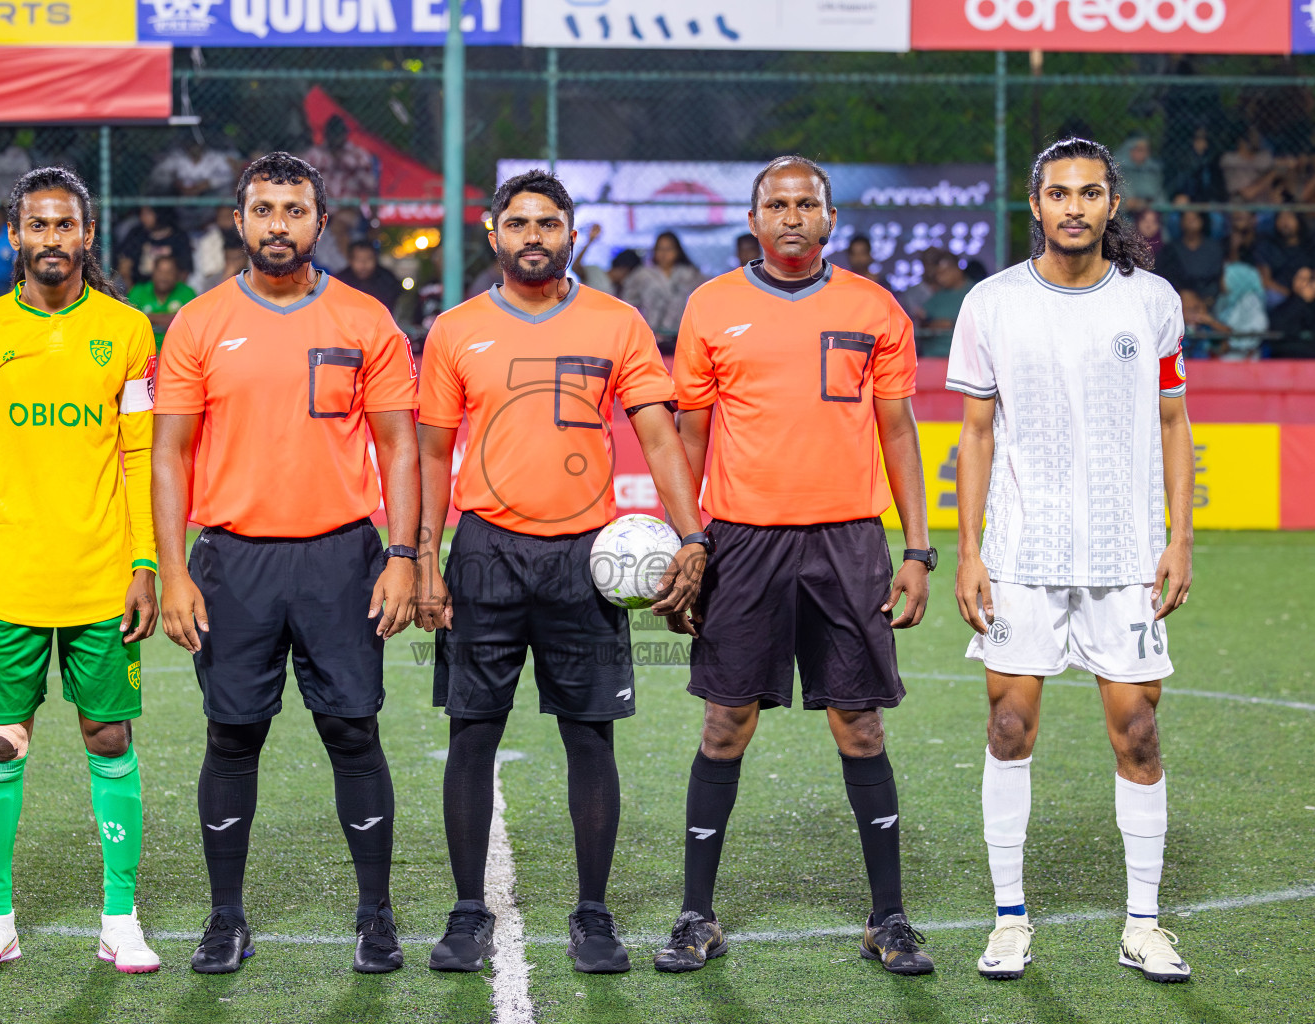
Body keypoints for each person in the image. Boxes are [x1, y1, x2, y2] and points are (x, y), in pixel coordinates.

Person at [414, 169, 705, 976]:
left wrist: (694, 537)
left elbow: (658, 436)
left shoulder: (617, 322)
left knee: (590, 739)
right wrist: (425, 557)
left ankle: (594, 914)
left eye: (549, 223)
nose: (533, 235)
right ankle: (469, 913)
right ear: (493, 233)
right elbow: (434, 452)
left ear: (572, 235)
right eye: (518, 223)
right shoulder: (455, 330)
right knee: (472, 734)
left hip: (588, 560)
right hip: (485, 552)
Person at [653, 155, 934, 977]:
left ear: (830, 218)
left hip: (849, 542)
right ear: (753, 217)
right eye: (776, 203)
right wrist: (690, 541)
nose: (790, 216)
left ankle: (890, 919)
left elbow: (899, 433)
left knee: (860, 725)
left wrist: (916, 549)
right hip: (742, 542)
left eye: (806, 203)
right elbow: (691, 438)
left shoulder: (874, 307)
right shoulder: (711, 306)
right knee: (724, 723)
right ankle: (695, 916)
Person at [153, 152, 420, 976]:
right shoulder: (197, 323)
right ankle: (225, 919)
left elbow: (401, 445)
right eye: (263, 209)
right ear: (239, 221)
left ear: (320, 222)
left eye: (293, 209)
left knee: (352, 730)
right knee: (232, 736)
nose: (278, 223)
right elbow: (167, 455)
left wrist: (404, 555)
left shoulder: (365, 318)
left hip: (342, 556)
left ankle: (375, 916)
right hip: (232, 561)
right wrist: (174, 573)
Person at [949, 137, 1195, 986]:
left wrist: (1181, 536)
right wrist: (969, 549)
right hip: (1021, 553)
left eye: (1091, 193)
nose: (1075, 208)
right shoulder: (991, 305)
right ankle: (1010, 918)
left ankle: (1144, 922)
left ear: (1112, 206)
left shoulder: (1152, 302)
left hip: (1126, 555)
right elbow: (975, 432)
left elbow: (1173, 423)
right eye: (1060, 193)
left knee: (1138, 732)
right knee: (1009, 728)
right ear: (1035, 204)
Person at [0, 166, 161, 977]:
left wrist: (145, 559)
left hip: (103, 574)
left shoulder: (130, 331)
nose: (52, 239)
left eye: (65, 225)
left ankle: (120, 917)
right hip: (8, 578)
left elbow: (139, 452)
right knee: (2, 746)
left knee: (109, 734)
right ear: (15, 237)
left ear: (88, 235)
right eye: (37, 225)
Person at [621, 230, 704, 348]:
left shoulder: (689, 274)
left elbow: (703, 300)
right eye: (660, 249)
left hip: (682, 336)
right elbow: (627, 302)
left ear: (677, 251)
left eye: (669, 249)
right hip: (650, 336)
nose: (664, 254)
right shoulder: (642, 274)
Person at [1155, 208, 1224, 302]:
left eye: (1194, 219)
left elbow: (1215, 277)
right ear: (1181, 223)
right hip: (1178, 298)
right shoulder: (1171, 249)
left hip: (1208, 299)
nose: (1191, 222)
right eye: (1187, 219)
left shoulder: (1213, 248)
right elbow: (1167, 277)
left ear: (1202, 221)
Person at [126, 254, 196, 348]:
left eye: (169, 272)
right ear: (153, 273)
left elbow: (192, 323)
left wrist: (148, 317)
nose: (164, 276)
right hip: (144, 349)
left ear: (177, 275)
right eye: (160, 271)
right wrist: (172, 318)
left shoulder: (187, 292)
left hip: (178, 349)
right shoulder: (137, 292)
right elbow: (130, 322)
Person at [117, 205, 193, 290]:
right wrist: (133, 293)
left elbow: (184, 271)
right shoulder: (136, 234)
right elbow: (125, 266)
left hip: (171, 291)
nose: (143, 218)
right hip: (139, 288)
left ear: (159, 214)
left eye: (148, 214)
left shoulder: (178, 236)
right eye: (142, 214)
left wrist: (175, 295)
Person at [303, 116, 378, 201]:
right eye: (333, 133)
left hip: (346, 204)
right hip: (319, 204)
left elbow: (370, 187)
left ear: (345, 134)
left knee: (345, 214)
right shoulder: (314, 155)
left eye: (339, 133)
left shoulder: (357, 155)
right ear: (326, 134)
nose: (336, 138)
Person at [1267, 266, 1315, 358]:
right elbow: (1276, 328)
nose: (1305, 284)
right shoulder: (1284, 305)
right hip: (1287, 359)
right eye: (1301, 279)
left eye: (1309, 280)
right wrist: (1301, 300)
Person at [1254, 210, 1315, 305]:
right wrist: (1290, 296)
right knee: (1272, 297)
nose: (1285, 222)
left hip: (1307, 291)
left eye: (1289, 217)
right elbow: (1265, 281)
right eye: (1281, 217)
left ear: (1299, 220)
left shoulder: (1310, 246)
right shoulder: (1268, 246)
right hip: (1279, 294)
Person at [1214, 261, 1269, 360]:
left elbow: (1257, 328)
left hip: (1246, 358)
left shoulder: (1251, 301)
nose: (1221, 282)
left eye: (1224, 278)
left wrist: (1230, 344)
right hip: (1224, 357)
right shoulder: (1223, 299)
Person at [923, 253, 972, 353]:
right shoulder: (938, 296)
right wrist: (930, 324)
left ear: (957, 270)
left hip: (963, 355)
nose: (940, 278)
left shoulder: (975, 292)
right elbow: (923, 322)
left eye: (944, 273)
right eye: (937, 274)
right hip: (933, 355)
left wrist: (952, 324)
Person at [571, 224, 640, 295]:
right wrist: (590, 241)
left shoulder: (617, 290)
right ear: (624, 269)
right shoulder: (595, 271)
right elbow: (575, 268)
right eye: (627, 275)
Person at [335, 240, 401, 313]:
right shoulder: (340, 281)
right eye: (358, 259)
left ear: (375, 259)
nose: (363, 264)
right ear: (350, 260)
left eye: (369, 259)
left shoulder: (387, 280)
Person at [1116, 137, 1165, 211]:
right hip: (1127, 214)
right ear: (1129, 150)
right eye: (1139, 150)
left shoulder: (1153, 171)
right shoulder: (1119, 170)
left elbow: (1160, 198)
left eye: (1146, 150)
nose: (1143, 153)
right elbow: (1127, 202)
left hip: (1152, 212)